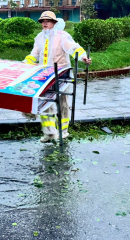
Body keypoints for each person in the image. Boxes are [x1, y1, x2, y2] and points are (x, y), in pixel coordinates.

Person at [23, 11, 92, 142]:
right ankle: (49, 133)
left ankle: (63, 131)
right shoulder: (39, 37)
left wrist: (83, 57)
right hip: (45, 75)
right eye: (43, 21)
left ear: (54, 23)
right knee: (43, 102)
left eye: (48, 21)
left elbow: (73, 48)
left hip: (61, 74)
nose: (45, 23)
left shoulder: (62, 36)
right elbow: (34, 54)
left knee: (62, 103)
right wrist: (26, 62)